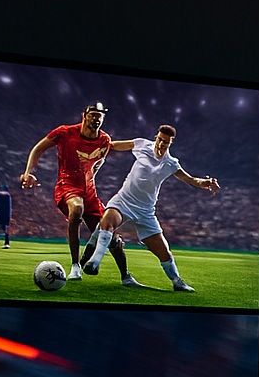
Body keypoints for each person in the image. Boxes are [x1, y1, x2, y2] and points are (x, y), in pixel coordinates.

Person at [80, 124, 219, 291]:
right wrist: (92, 147)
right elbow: (113, 145)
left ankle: (177, 282)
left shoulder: (171, 163)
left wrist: (204, 182)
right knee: (108, 220)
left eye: (166, 142)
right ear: (156, 137)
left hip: (146, 211)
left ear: (170, 143)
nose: (161, 144)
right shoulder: (142, 145)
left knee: (164, 253)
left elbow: (191, 180)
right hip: (123, 201)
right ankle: (94, 262)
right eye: (160, 139)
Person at [18, 102, 136, 284]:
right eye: (93, 114)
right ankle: (75, 266)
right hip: (68, 185)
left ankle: (126, 276)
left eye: (100, 116)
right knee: (77, 209)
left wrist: (90, 178)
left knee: (110, 235)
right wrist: (28, 172)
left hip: (90, 191)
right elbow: (38, 148)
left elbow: (97, 164)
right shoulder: (64, 132)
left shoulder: (104, 140)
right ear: (84, 115)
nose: (97, 118)